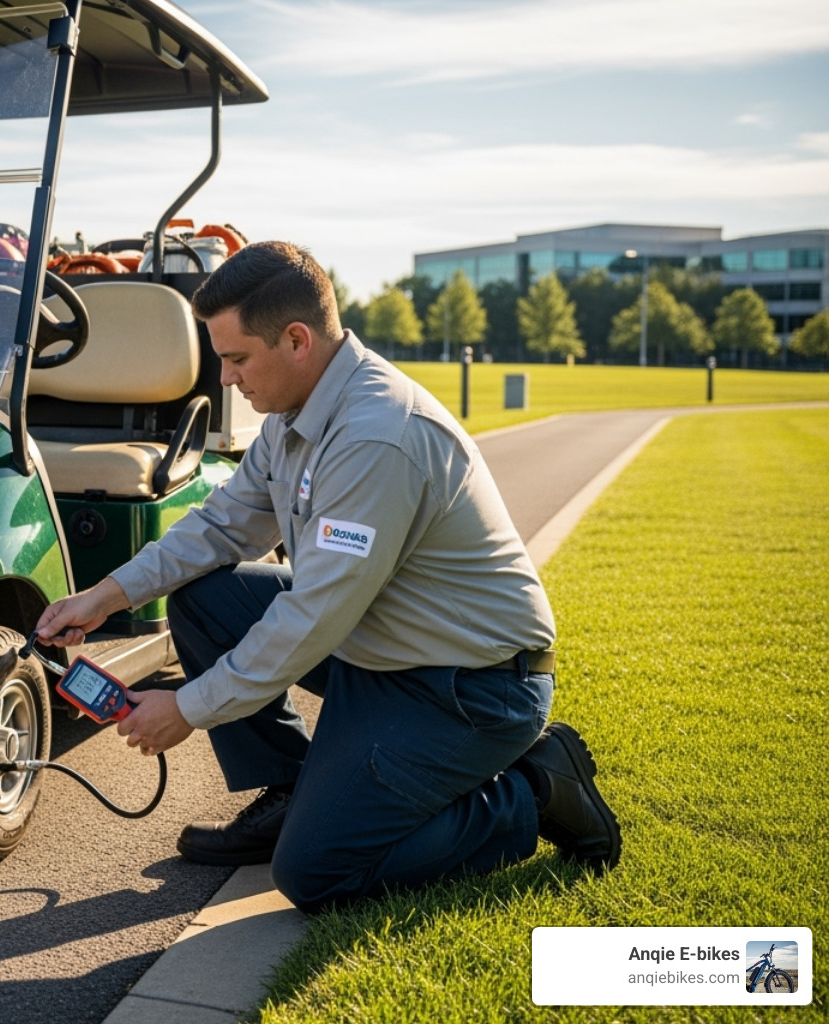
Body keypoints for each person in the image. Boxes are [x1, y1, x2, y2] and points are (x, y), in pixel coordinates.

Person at [34, 241, 620, 912]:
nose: (226, 380)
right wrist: (106, 597)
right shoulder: (292, 415)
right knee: (204, 597)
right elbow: (220, 526)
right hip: (383, 647)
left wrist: (187, 709)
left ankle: (531, 791)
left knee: (317, 873)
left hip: (468, 687)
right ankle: (291, 791)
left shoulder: (376, 435)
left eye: (235, 359)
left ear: (296, 339)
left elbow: (315, 614)